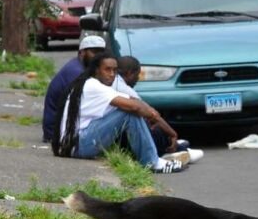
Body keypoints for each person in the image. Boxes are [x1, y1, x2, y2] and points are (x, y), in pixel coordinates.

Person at [53, 52, 187, 174]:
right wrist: (170, 132)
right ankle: (152, 162)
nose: (112, 74)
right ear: (96, 70)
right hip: (77, 146)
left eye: (115, 70)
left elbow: (137, 102)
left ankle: (154, 156)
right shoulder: (94, 86)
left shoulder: (93, 84)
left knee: (128, 110)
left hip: (72, 145)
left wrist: (160, 122)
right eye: (107, 69)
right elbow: (135, 107)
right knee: (128, 113)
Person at [114, 56, 204, 164]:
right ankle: (174, 149)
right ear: (129, 73)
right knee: (154, 125)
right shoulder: (123, 88)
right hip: (124, 138)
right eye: (137, 75)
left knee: (151, 123)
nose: (137, 80)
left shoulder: (111, 81)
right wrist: (173, 134)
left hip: (115, 137)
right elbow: (152, 114)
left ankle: (169, 144)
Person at [42, 35, 106, 143]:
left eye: (101, 53)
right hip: (58, 133)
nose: (99, 57)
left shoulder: (82, 67)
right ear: (82, 53)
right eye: (94, 52)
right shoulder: (76, 72)